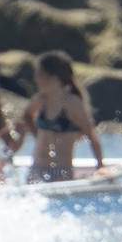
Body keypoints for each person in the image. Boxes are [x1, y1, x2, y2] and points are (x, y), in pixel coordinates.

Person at [21, 51, 103, 184]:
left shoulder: (72, 103)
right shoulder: (41, 100)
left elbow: (91, 134)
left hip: (61, 171)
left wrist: (100, 165)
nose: (35, 79)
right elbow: (26, 116)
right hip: (37, 169)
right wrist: (37, 135)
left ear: (54, 78)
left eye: (39, 74)